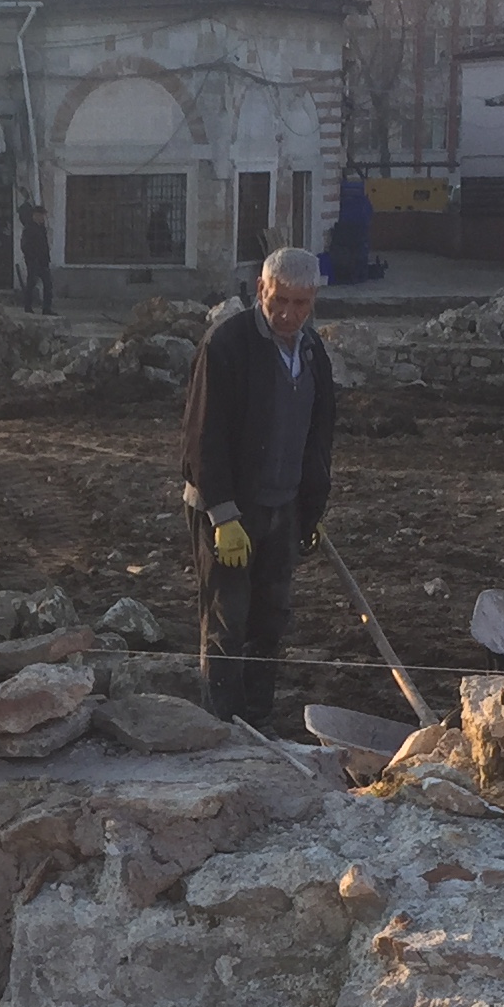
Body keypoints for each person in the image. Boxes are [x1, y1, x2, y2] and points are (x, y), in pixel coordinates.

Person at [179, 245, 338, 727]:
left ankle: (258, 719)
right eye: (279, 301)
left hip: (283, 506)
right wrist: (223, 514)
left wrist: (312, 509)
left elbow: (318, 434)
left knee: (270, 619)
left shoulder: (312, 353)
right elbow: (202, 435)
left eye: (301, 304)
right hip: (228, 509)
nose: (289, 314)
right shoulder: (227, 346)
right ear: (260, 290)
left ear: (313, 301)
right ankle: (223, 727)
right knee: (228, 621)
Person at [17, 202, 56, 315]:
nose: (43, 218)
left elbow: (44, 245)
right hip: (34, 262)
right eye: (41, 215)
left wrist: (46, 258)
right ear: (35, 215)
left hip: (43, 262)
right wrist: (32, 258)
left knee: (48, 285)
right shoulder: (29, 228)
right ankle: (28, 307)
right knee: (31, 284)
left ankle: (46, 309)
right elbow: (25, 246)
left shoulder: (41, 228)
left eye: (43, 215)